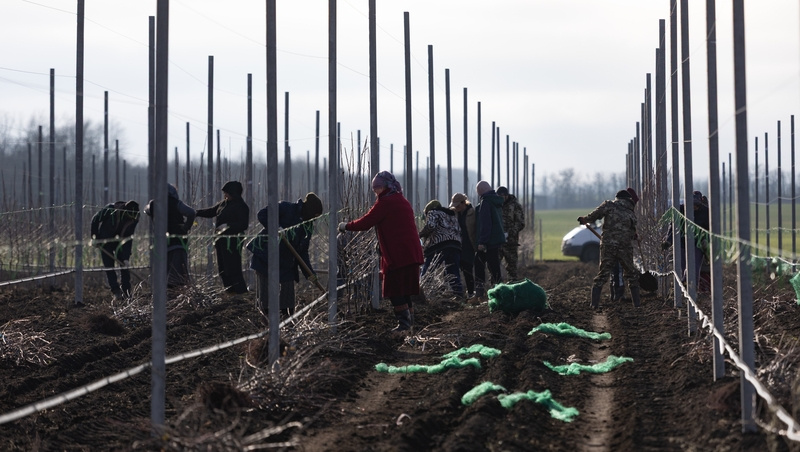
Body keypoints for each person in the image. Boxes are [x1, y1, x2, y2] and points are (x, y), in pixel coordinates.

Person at [338, 171, 423, 333]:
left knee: (394, 289)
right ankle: (410, 323)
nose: (375, 192)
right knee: (404, 289)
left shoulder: (386, 202)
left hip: (398, 255)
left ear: (384, 187)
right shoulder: (401, 199)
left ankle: (404, 325)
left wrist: (346, 226)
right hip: (410, 252)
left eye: (376, 188)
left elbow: (366, 222)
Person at [249, 192, 323, 319]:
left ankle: (286, 320)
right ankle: (265, 323)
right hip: (266, 256)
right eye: (314, 216)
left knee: (288, 298)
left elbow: (302, 251)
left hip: (286, 261)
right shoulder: (286, 208)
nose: (314, 220)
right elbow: (262, 214)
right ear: (310, 210)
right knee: (265, 299)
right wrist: (276, 227)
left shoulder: (307, 225)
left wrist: (310, 274)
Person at [578, 189, 640, 308]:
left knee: (603, 273)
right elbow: (632, 233)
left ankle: (594, 304)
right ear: (628, 200)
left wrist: (584, 219)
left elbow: (595, 215)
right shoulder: (631, 212)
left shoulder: (609, 205)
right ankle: (636, 305)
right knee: (631, 274)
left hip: (608, 246)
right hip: (625, 247)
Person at [196, 181, 250, 295]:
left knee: (233, 269)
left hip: (233, 242)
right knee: (223, 270)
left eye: (227, 193)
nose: (225, 196)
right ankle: (230, 293)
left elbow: (243, 224)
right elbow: (211, 212)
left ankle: (241, 294)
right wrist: (195, 212)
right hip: (221, 241)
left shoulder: (241, 206)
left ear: (234, 193)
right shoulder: (224, 204)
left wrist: (228, 226)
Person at [144, 183, 196, 289]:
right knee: (178, 272)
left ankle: (167, 295)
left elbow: (146, 210)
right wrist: (185, 227)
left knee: (165, 271)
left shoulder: (153, 203)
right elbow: (191, 213)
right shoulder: (175, 203)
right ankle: (177, 294)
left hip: (162, 244)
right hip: (178, 241)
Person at [90, 200, 140, 300]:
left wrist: (126, 257)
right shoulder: (110, 209)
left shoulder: (135, 217)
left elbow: (129, 237)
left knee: (124, 266)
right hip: (105, 240)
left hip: (121, 242)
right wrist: (95, 238)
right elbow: (95, 220)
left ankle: (126, 292)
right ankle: (116, 291)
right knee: (109, 266)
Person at [662, 190, 709, 291]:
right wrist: (668, 241)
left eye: (696, 205)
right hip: (682, 243)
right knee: (683, 267)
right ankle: (686, 290)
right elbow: (673, 227)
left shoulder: (706, 212)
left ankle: (692, 290)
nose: (694, 207)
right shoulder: (680, 210)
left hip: (698, 244)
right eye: (691, 205)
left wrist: (707, 242)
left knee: (694, 267)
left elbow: (710, 229)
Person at [419, 199, 463, 296]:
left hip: (439, 245)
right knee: (453, 271)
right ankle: (458, 294)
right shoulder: (452, 214)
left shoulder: (432, 212)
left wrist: (420, 234)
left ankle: (422, 292)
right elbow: (459, 230)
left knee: (428, 269)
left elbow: (430, 226)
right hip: (455, 245)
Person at [474, 180, 506, 296]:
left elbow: (485, 223)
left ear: (481, 191)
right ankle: (498, 290)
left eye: (478, 192)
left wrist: (482, 241)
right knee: (494, 266)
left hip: (488, 241)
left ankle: (480, 292)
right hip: (496, 240)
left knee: (479, 263)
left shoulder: (486, 202)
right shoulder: (496, 201)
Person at [611, 187, 639, 301]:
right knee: (618, 269)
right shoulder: (622, 209)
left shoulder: (618, 208)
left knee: (615, 269)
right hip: (617, 244)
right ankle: (618, 294)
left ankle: (615, 293)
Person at [450, 192, 479, 299]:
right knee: (456, 269)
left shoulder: (472, 213)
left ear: (463, 203)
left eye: (458, 205)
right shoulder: (454, 213)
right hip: (458, 245)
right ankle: (458, 293)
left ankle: (471, 292)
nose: (456, 207)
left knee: (467, 269)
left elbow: (476, 229)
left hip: (468, 244)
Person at [496, 186, 525, 281]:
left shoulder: (515, 206)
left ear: (507, 196)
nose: (500, 198)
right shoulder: (495, 205)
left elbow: (520, 223)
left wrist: (509, 233)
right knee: (494, 266)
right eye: (498, 196)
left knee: (512, 267)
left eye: (502, 196)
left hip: (510, 242)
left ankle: (512, 288)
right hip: (497, 242)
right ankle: (496, 288)